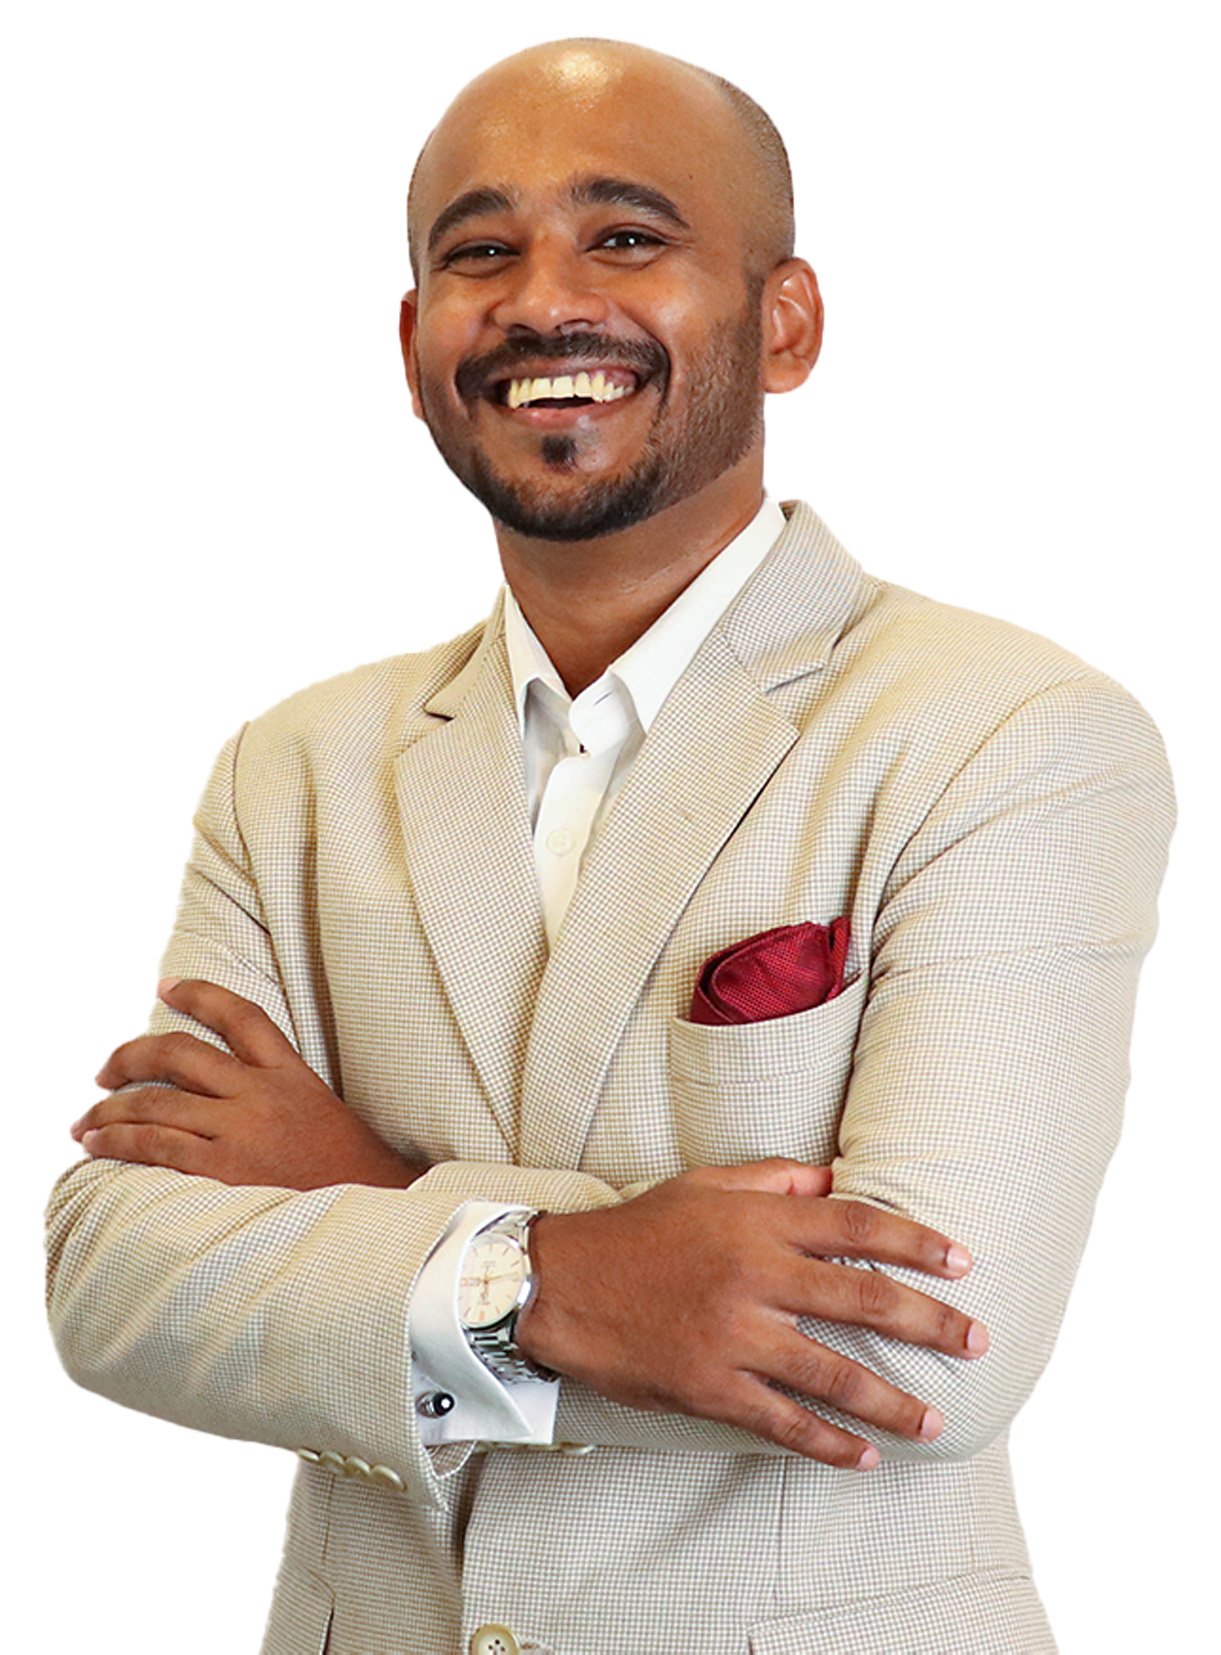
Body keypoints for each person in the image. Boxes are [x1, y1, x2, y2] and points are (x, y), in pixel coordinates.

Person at [47, 37, 1173, 1655]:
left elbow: (919, 1349)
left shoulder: (1004, 734)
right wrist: (600, 1276)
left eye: (626, 237)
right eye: (478, 252)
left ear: (783, 323)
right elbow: (113, 1283)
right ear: (413, 343)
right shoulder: (289, 769)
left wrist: (365, 1197)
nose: (540, 300)